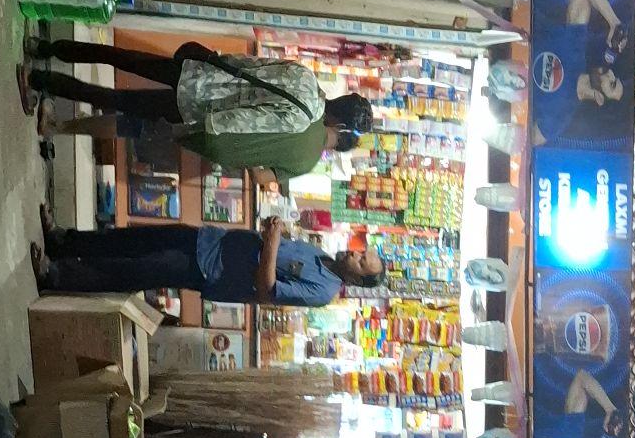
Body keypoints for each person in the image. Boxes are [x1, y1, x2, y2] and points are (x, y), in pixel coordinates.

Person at [20, 37, 373, 192]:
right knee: (116, 99)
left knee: (120, 57)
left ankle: (45, 48)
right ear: (339, 123)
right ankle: (40, 80)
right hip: (193, 107)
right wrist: (203, 129)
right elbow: (244, 120)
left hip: (200, 74)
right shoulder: (301, 119)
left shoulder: (304, 75)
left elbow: (249, 63)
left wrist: (213, 62)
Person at [32, 203, 384, 308]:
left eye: (361, 261)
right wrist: (271, 232)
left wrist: (272, 242)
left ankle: (57, 276)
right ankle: (64, 242)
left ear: (357, 279)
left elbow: (267, 290)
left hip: (211, 270)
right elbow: (272, 247)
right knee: (134, 240)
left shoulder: (322, 291)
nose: (355, 254)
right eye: (361, 252)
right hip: (211, 240)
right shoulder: (321, 254)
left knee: (137, 270)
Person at [531, 0, 629, 147]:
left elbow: (527, 141)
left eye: (612, 84)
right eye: (615, 76)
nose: (610, 74)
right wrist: (614, 23)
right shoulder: (575, 49)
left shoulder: (560, 117)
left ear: (599, 98)